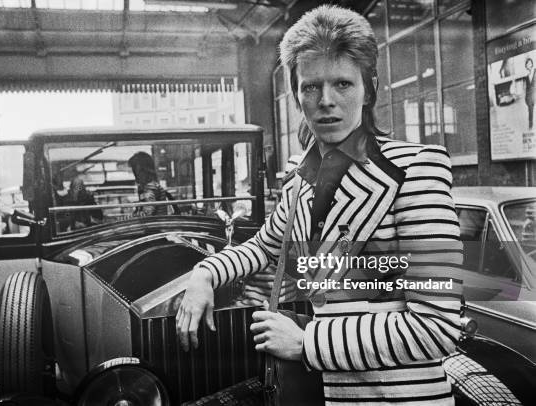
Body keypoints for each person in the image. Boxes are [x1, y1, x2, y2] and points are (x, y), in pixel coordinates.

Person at [177, 5, 463, 405]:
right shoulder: (301, 179)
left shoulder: (415, 171)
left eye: (343, 84)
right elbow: (264, 247)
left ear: (370, 89)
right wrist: (204, 273)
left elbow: (437, 326)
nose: (326, 100)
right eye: (310, 87)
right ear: (296, 94)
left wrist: (309, 342)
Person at [128, 152, 174, 216]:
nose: (136, 175)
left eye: (138, 171)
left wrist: (134, 214)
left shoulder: (150, 186)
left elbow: (148, 212)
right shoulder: (150, 185)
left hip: (155, 223)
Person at [525, 58, 535, 129]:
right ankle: (530, 124)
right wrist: (526, 97)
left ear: (532, 64)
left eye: (529, 63)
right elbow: (527, 88)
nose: (529, 65)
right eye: (527, 64)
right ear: (526, 66)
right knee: (530, 108)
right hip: (530, 95)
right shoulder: (526, 76)